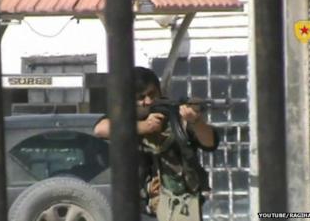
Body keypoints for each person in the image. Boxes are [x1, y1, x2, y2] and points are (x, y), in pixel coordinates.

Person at [93, 67, 219, 221]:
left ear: (160, 91)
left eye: (152, 94)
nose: (148, 101)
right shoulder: (128, 118)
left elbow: (210, 143)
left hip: (179, 204)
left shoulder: (176, 116)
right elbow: (100, 129)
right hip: (137, 204)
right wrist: (145, 126)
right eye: (141, 97)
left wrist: (196, 122)